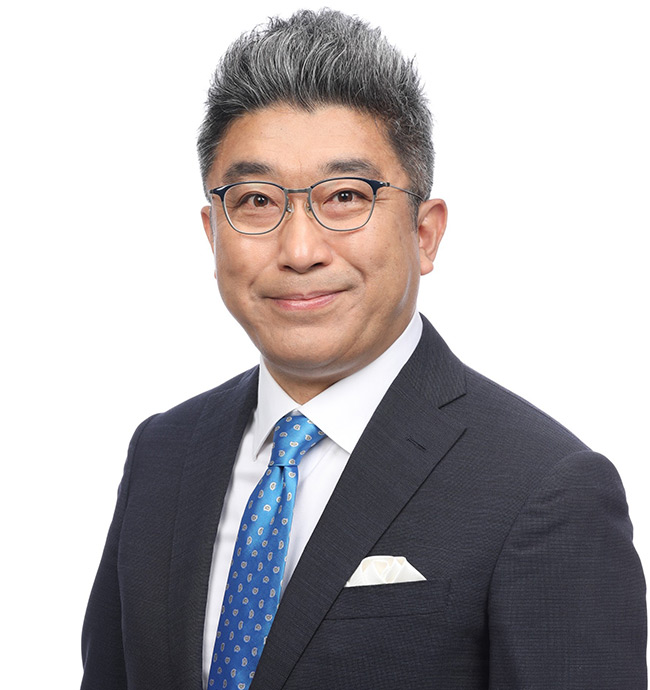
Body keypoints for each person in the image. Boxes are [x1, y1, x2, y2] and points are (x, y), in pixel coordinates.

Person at [80, 9, 646, 690]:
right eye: (256, 201)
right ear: (212, 233)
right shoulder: (163, 455)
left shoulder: (544, 489)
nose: (299, 250)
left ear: (425, 234)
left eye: (345, 196)